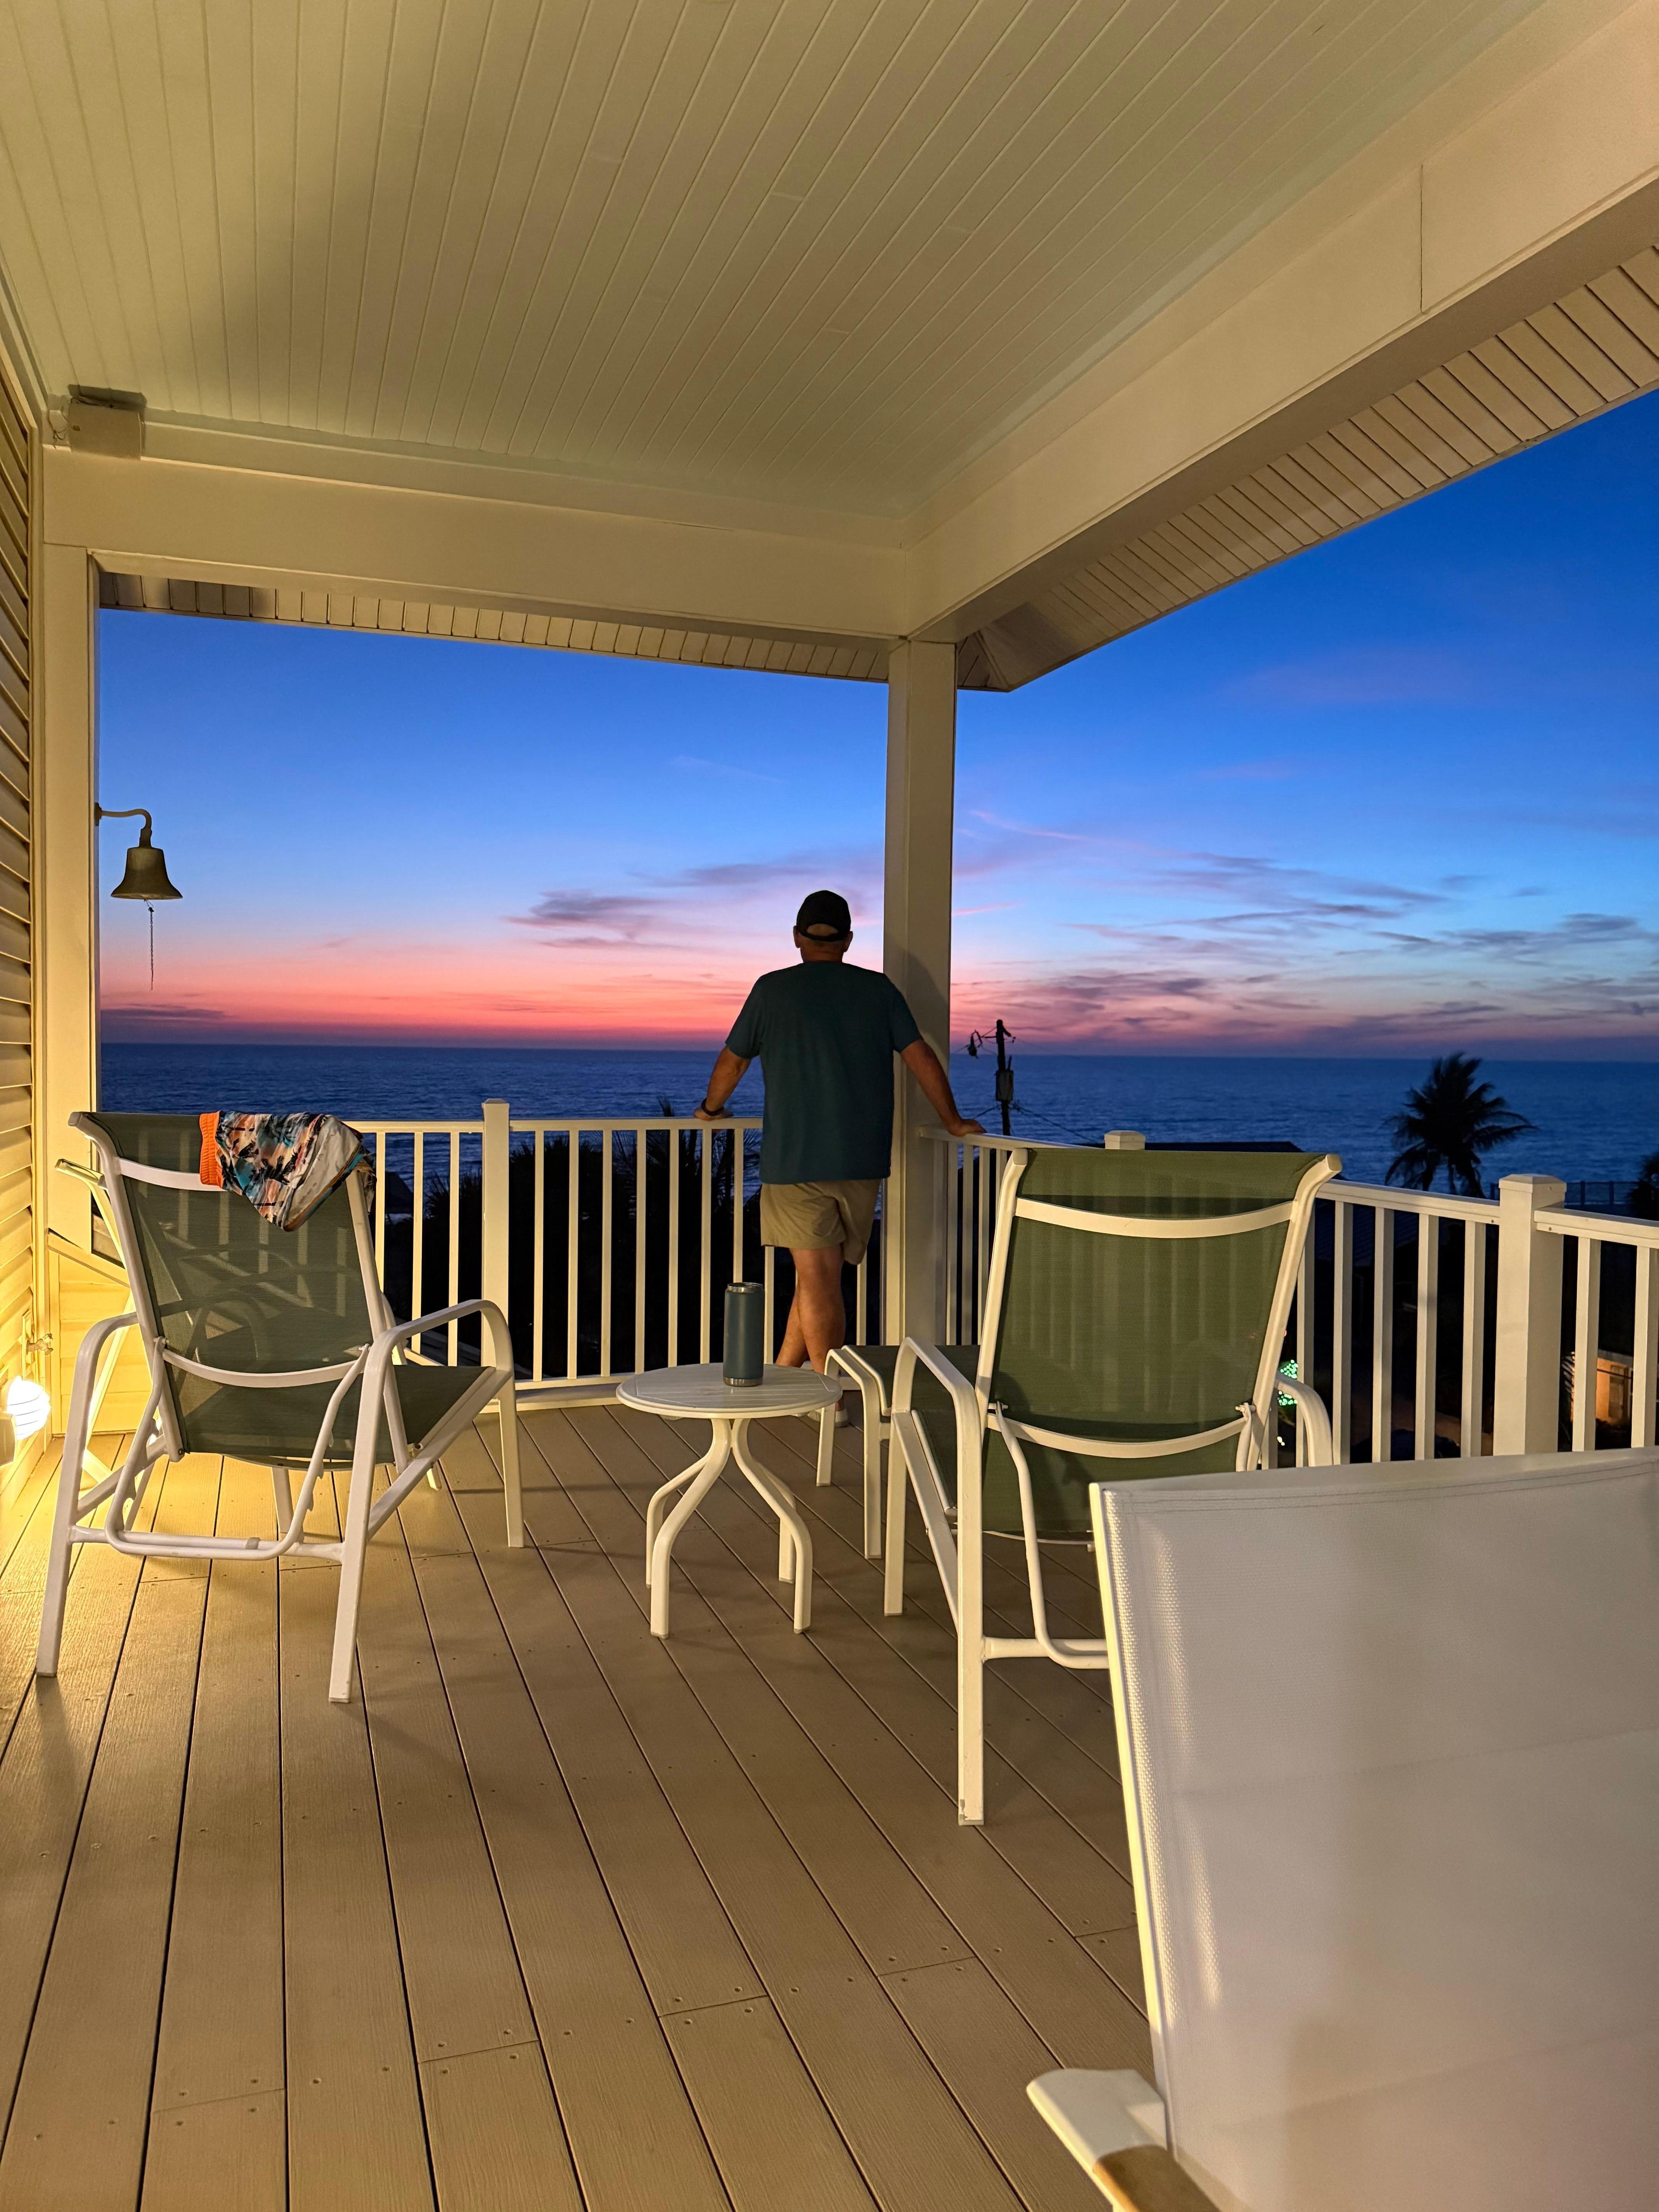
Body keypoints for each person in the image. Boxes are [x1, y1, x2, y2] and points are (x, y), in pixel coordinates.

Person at [695, 890, 983, 1374]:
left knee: (821, 1281)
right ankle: (786, 1374)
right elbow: (921, 1058)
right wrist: (953, 1121)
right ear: (847, 940)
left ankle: (828, 1399)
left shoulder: (772, 990)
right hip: (861, 1161)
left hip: (796, 1162)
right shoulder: (879, 991)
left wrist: (709, 1109)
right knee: (818, 1277)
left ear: (797, 938)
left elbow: (734, 1060)